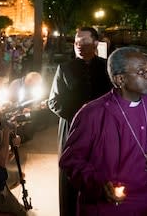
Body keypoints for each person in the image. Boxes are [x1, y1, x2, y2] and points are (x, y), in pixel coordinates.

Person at [60, 47, 147, 215]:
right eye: (142, 72)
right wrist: (98, 184)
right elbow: (71, 160)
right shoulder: (92, 113)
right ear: (120, 79)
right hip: (108, 207)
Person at [48, 26, 112, 216]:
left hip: (103, 130)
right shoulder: (65, 68)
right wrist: (79, 118)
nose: (79, 45)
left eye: (84, 41)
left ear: (95, 43)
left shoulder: (107, 67)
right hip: (72, 129)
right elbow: (54, 101)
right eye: (76, 41)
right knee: (71, 176)